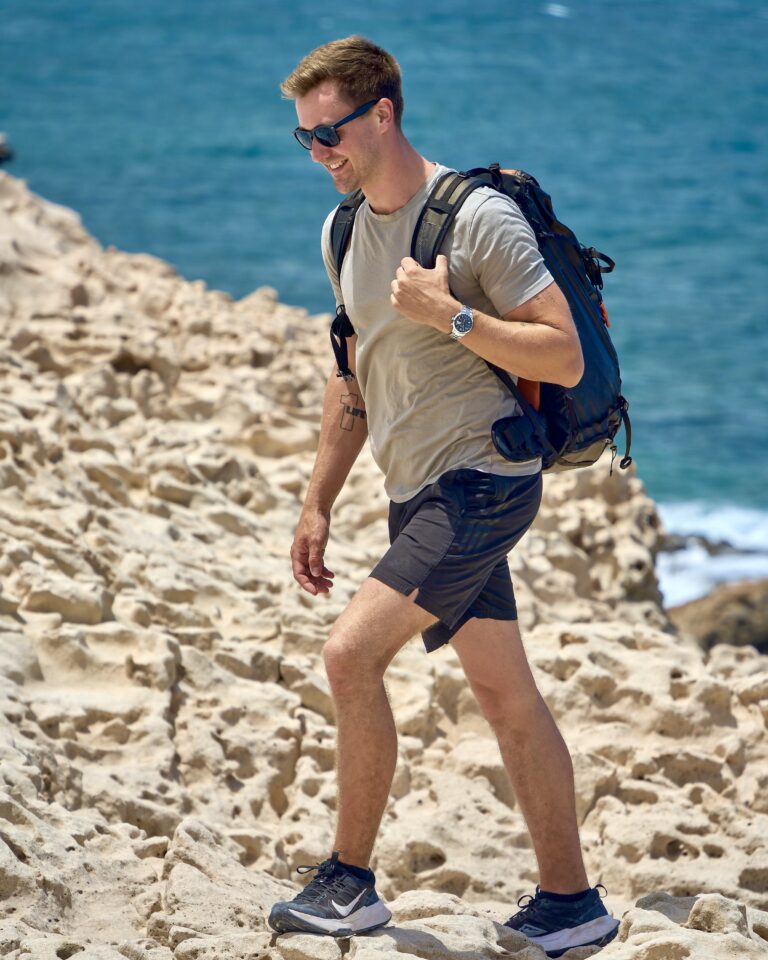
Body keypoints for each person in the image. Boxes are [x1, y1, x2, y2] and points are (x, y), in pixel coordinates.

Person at [269, 35, 620, 958]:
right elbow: (354, 375)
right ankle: (571, 903)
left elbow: (563, 354)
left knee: (349, 656)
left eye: (331, 132)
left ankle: (349, 882)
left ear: (383, 113)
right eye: (305, 137)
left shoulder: (477, 220)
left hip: (483, 483)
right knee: (505, 695)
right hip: (415, 489)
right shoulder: (342, 230)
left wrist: (453, 315)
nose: (320, 152)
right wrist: (317, 500)